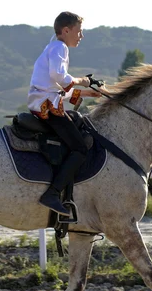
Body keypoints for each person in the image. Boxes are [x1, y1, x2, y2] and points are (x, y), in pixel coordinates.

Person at [27, 11, 103, 216]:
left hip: (45, 102)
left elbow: (58, 87)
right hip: (47, 106)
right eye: (79, 31)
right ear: (66, 30)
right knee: (80, 148)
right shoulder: (59, 47)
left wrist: (88, 92)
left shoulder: (54, 47)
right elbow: (59, 76)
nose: (81, 36)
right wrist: (82, 81)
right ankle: (52, 193)